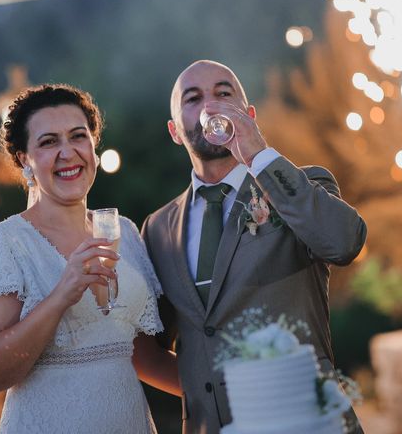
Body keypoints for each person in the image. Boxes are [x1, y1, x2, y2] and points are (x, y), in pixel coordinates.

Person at [142, 60, 368, 434]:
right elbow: (154, 347)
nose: (210, 106)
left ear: (247, 114)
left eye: (223, 93)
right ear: (175, 131)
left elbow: (344, 243)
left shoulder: (302, 186)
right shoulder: (157, 228)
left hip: (306, 422)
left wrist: (259, 153)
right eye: (193, 99)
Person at [0, 84, 179, 433]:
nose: (67, 152)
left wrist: (230, 388)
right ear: (24, 160)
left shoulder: (126, 234)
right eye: (48, 142)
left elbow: (141, 357)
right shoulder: (4, 243)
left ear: (93, 147)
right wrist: (61, 295)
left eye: (77, 136)